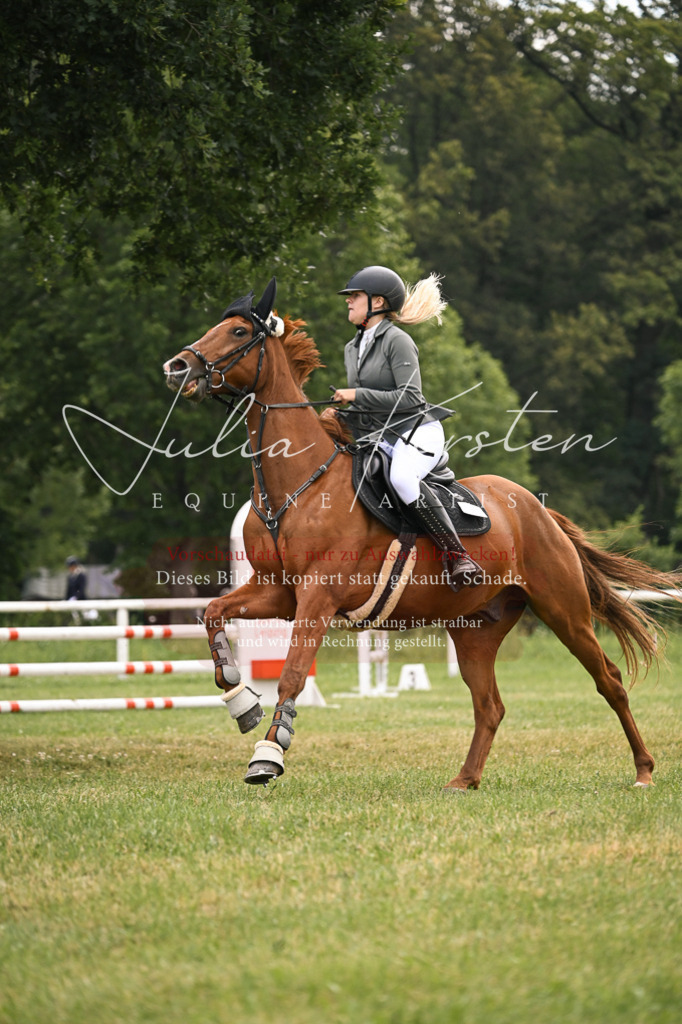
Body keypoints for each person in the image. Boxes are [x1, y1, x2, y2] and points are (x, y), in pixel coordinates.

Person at [332, 265, 481, 590]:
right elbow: (367, 405)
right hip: (380, 436)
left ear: (378, 302)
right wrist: (338, 414)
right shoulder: (351, 348)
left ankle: (459, 556)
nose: (348, 302)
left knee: (401, 476)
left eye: (355, 296)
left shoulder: (397, 340)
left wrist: (356, 394)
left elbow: (409, 397)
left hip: (416, 430)